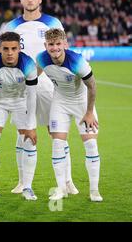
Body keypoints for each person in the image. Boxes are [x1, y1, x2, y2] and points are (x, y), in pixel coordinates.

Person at [4, 0, 78, 195]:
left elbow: (64, 52)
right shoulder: (12, 27)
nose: (29, 0)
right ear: (20, 0)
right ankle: (22, 182)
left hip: (48, 84)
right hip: (21, 86)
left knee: (57, 132)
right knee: (24, 132)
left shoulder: (52, 23)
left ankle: (68, 181)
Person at [37, 29, 102, 202]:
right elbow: (34, 76)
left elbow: (93, 86)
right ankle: (61, 189)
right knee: (57, 143)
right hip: (60, 102)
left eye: (58, 44)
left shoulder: (77, 61)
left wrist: (89, 112)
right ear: (46, 46)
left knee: (91, 145)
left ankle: (94, 191)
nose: (55, 48)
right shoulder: (41, 58)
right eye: (51, 44)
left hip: (82, 103)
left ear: (65, 44)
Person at [0, 32, 38, 201]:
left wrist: (31, 126)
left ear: (19, 49)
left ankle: (27, 187)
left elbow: (32, 96)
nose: (10, 53)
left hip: (21, 101)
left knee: (29, 140)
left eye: (14, 48)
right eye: (5, 49)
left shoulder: (28, 64)